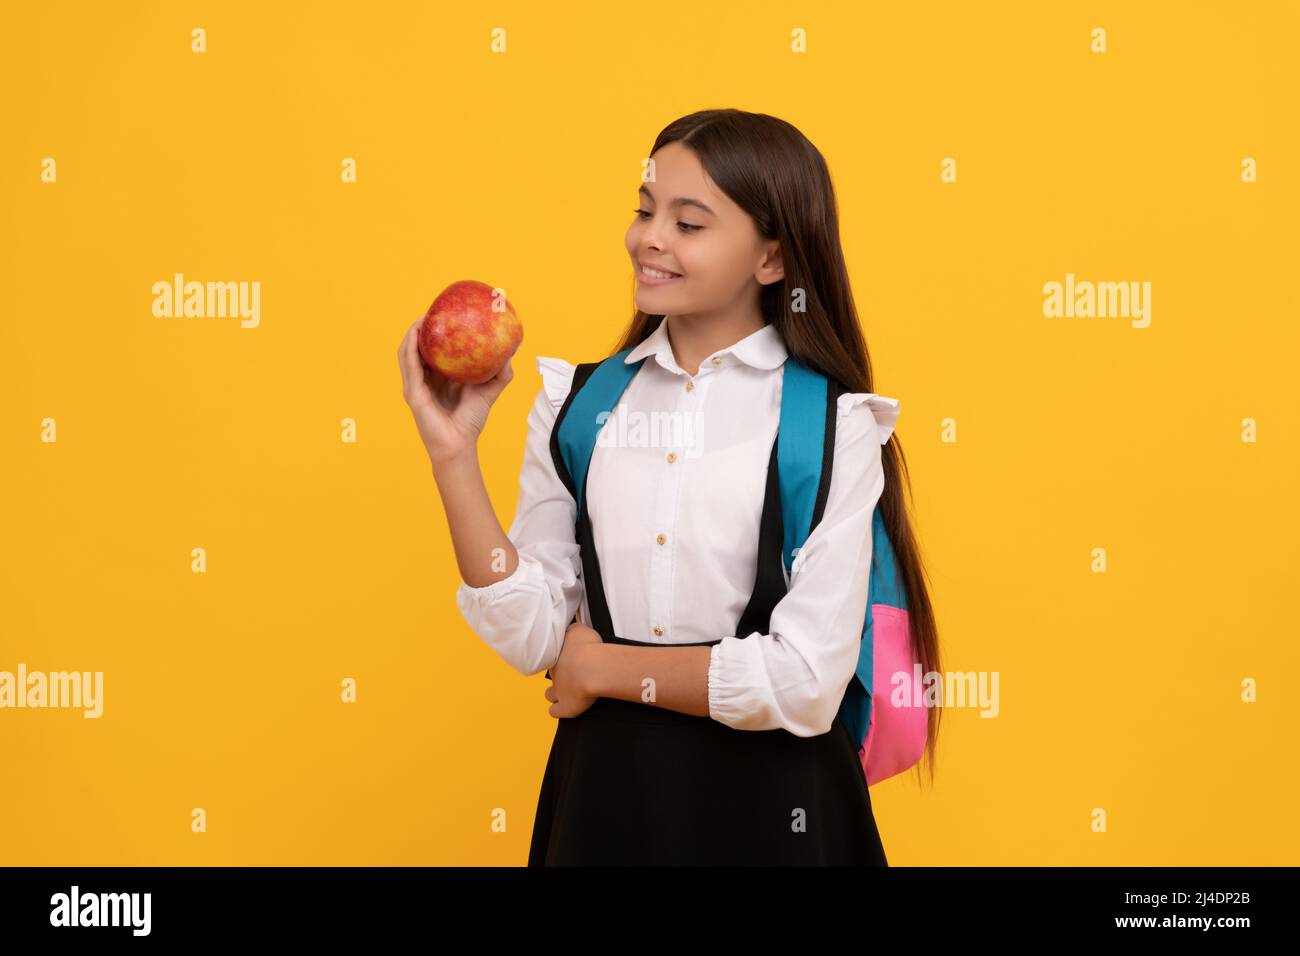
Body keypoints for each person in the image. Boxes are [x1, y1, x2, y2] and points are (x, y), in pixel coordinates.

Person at [399, 108, 941, 865]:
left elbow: (806, 682)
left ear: (771, 259)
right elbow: (527, 633)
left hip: (781, 812)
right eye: (646, 210)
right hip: (608, 802)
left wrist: (603, 667)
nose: (648, 238)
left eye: (689, 224)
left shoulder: (835, 425)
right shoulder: (575, 406)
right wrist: (452, 454)